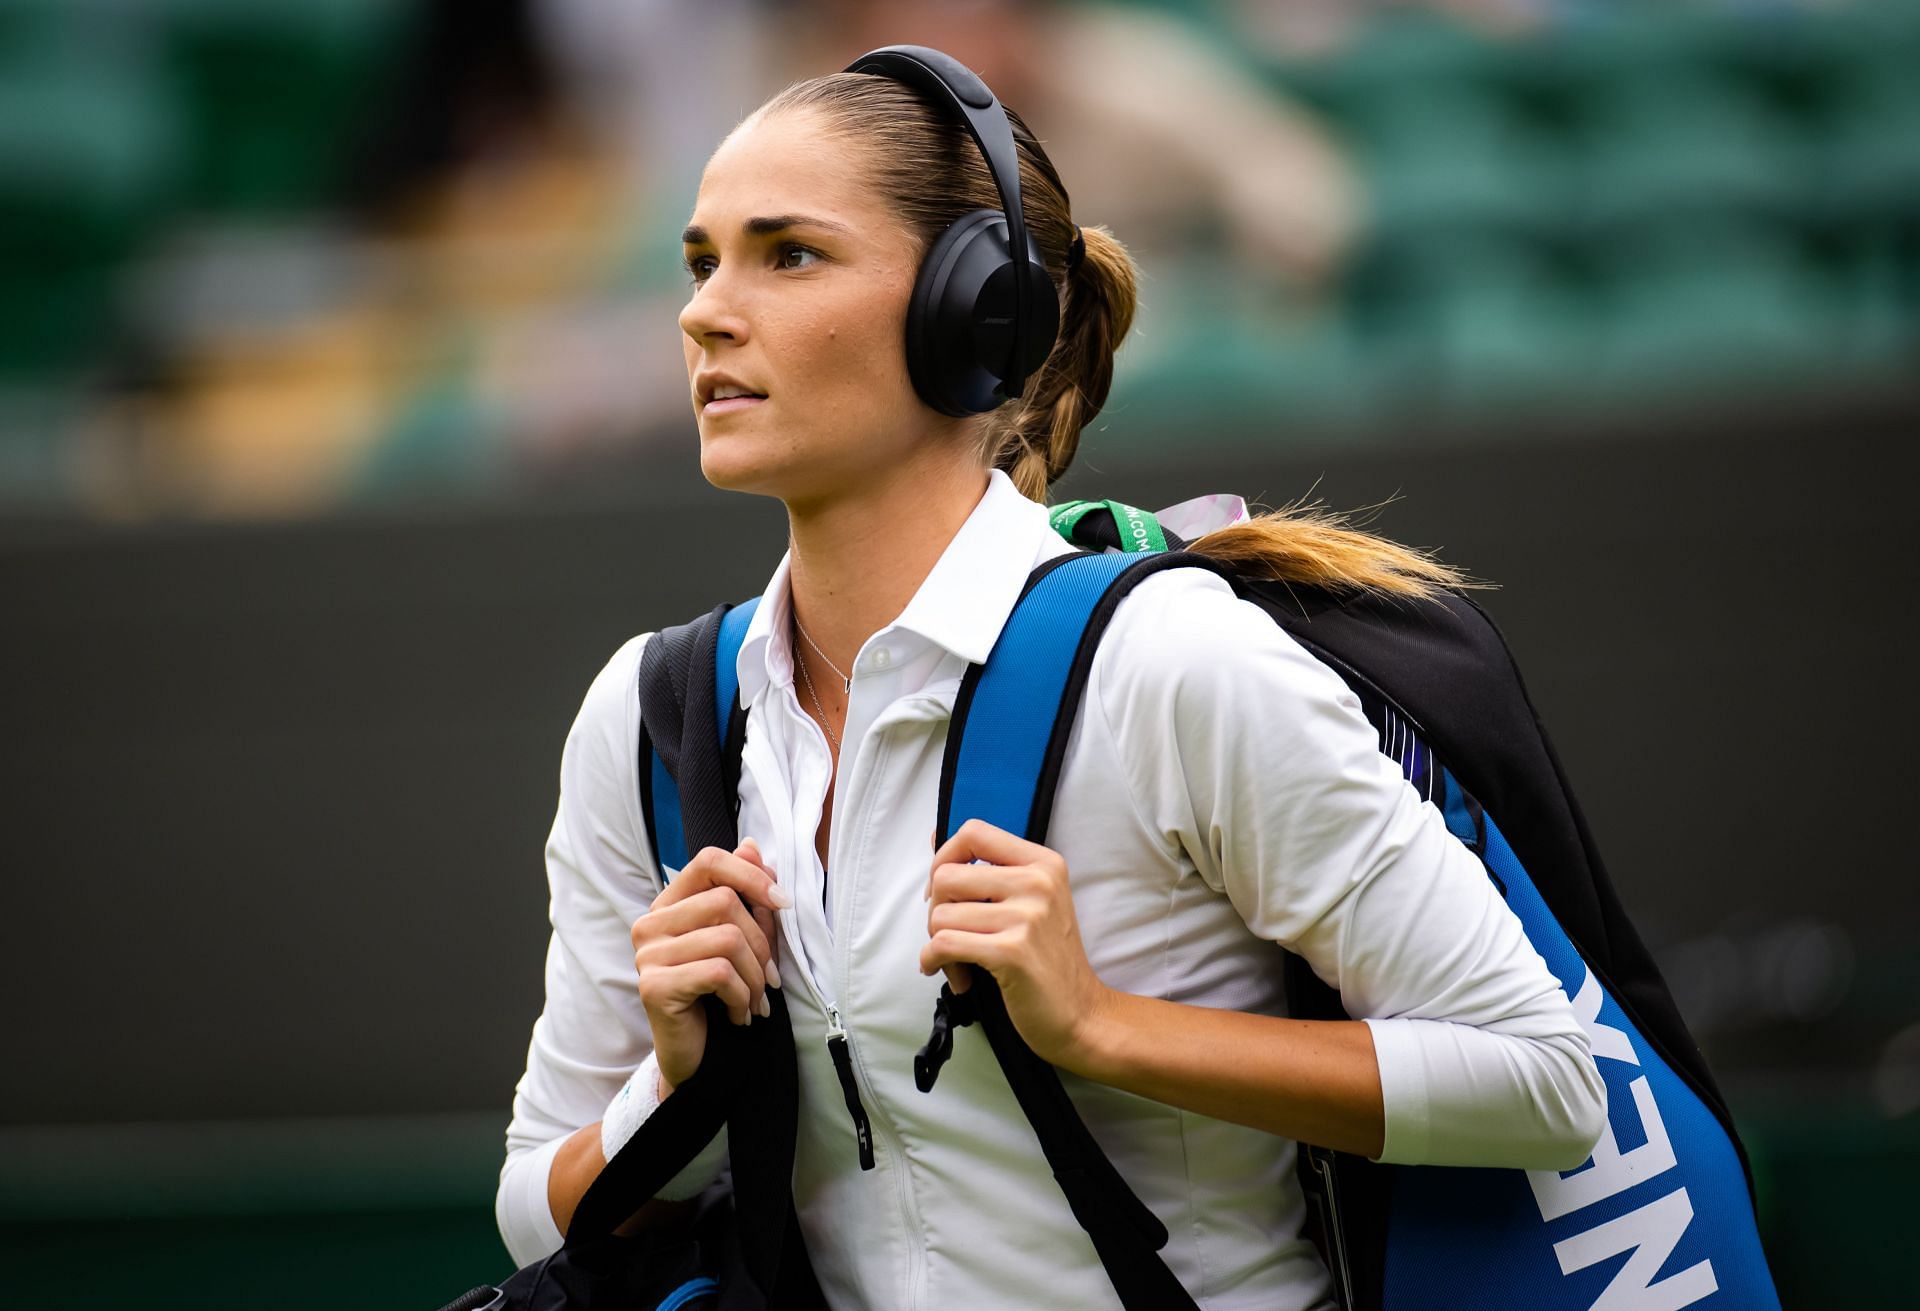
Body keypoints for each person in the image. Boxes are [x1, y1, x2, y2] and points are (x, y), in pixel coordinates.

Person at [494, 53, 1607, 1310]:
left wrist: (1099, 1026)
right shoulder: (646, 715)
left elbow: (1544, 1080)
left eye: (789, 254)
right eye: (703, 261)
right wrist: (673, 1084)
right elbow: (533, 1209)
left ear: (976, 311)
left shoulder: (1170, 663)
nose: (705, 312)